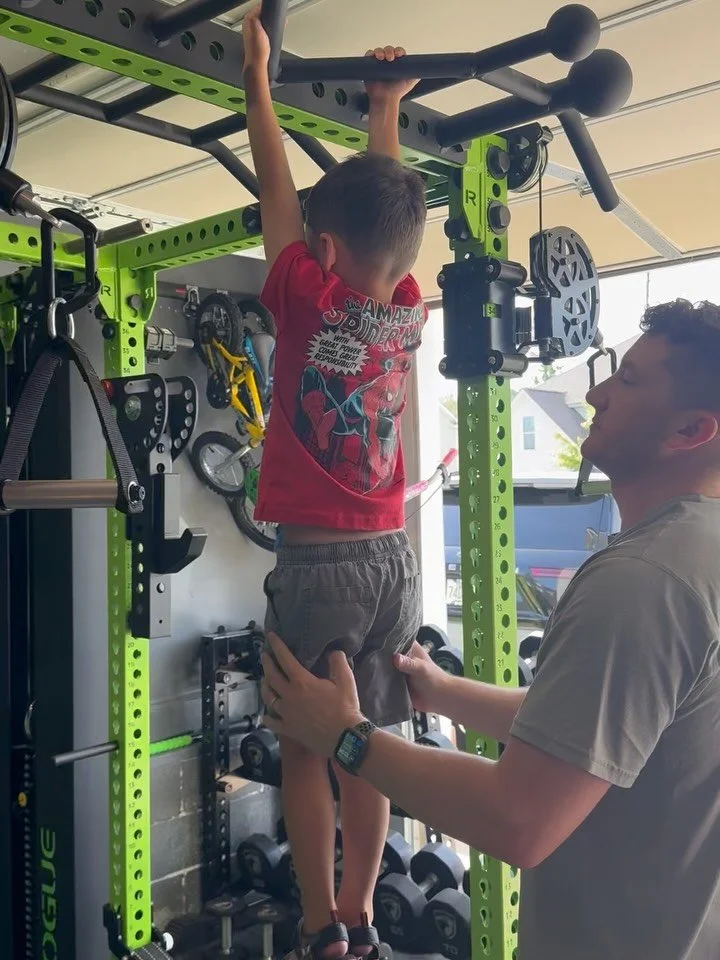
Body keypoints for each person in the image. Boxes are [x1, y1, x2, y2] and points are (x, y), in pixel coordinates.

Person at [259, 299, 720, 960]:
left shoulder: (645, 580)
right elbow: (591, 729)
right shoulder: (695, 558)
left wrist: (344, 738)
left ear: (691, 429)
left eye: (631, 381)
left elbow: (518, 820)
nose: (596, 391)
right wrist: (439, 691)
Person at [241, 11, 427, 960]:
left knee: (309, 743)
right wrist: (383, 109)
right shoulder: (403, 307)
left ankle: (317, 925)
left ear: (320, 252)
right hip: (390, 563)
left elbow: (278, 182)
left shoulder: (308, 295)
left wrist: (259, 83)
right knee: (369, 738)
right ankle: (351, 909)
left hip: (318, 570)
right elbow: (382, 210)